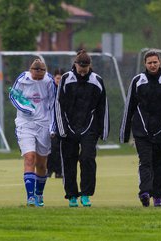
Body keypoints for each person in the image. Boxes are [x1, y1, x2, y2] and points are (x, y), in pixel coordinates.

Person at [119, 50, 161, 207]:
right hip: (141, 132)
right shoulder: (138, 81)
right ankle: (144, 192)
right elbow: (129, 107)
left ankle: (157, 197)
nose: (152, 65)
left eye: (155, 62)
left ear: (160, 62)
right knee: (145, 162)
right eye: (149, 62)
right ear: (145, 64)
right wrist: (124, 133)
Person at [55, 50, 109, 207]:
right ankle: (71, 195)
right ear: (75, 65)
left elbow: (102, 107)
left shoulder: (97, 80)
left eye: (85, 68)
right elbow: (58, 105)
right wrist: (62, 128)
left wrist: (103, 131)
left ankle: (86, 194)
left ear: (90, 66)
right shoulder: (66, 78)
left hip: (89, 128)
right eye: (80, 67)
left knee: (87, 159)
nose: (83, 71)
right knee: (69, 161)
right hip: (68, 128)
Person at [9, 59, 55, 207]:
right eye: (36, 73)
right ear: (31, 70)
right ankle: (30, 197)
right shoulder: (23, 78)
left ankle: (39, 194)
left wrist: (53, 126)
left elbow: (53, 104)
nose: (38, 76)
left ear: (44, 72)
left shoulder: (49, 81)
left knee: (41, 164)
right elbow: (13, 96)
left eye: (41, 73)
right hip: (25, 124)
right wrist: (25, 109)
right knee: (30, 158)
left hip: (43, 124)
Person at [47, 68, 65, 179]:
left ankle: (59, 171)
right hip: (50, 122)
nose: (59, 80)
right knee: (50, 147)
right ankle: (49, 170)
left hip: (61, 122)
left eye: (61, 78)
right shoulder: (49, 89)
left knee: (59, 148)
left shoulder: (66, 89)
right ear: (54, 78)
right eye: (58, 78)